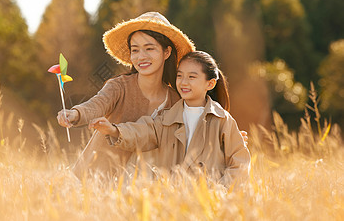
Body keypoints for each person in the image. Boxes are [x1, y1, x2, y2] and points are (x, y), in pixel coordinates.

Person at [58, 12, 196, 178]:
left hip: (145, 191)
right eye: (135, 50)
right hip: (95, 180)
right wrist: (75, 114)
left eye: (149, 48)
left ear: (166, 52)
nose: (141, 57)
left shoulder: (176, 101)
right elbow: (98, 104)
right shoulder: (119, 86)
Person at [90, 51, 251, 188]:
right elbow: (143, 132)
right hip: (173, 202)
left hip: (208, 203)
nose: (183, 82)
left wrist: (221, 191)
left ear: (210, 84)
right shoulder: (166, 118)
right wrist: (114, 130)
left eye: (191, 77)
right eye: (180, 75)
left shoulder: (222, 120)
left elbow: (240, 163)